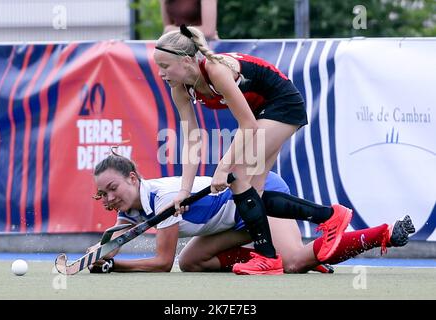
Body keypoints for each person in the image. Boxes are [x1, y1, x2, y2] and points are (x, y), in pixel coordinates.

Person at [153, 25, 353, 274]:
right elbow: (193, 140)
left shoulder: (216, 70)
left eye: (165, 66)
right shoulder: (179, 89)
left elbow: (247, 124)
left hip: (282, 104)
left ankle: (286, 245)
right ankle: (310, 230)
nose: (160, 73)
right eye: (158, 67)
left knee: (237, 176)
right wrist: (184, 191)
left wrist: (223, 167)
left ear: (185, 61)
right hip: (261, 113)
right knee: (253, 194)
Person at [88, 154, 415, 274]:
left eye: (113, 188)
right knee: (191, 262)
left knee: (293, 263)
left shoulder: (164, 199)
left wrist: (114, 265)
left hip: (256, 194)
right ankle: (263, 250)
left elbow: (161, 263)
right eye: (103, 194)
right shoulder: (130, 208)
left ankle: (383, 234)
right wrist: (99, 253)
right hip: (235, 220)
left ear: (133, 178)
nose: (110, 197)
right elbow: (114, 239)